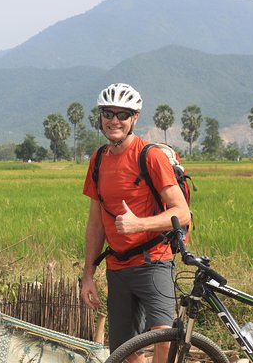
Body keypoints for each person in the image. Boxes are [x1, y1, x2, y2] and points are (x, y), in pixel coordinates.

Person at [80, 83, 190, 359]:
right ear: (101, 116)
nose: (114, 120)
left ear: (135, 118)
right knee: (125, 350)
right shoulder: (98, 160)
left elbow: (182, 212)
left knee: (163, 335)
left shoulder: (149, 156)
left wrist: (139, 224)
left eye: (123, 114)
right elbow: (95, 224)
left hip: (153, 260)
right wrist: (88, 275)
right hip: (117, 267)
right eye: (108, 113)